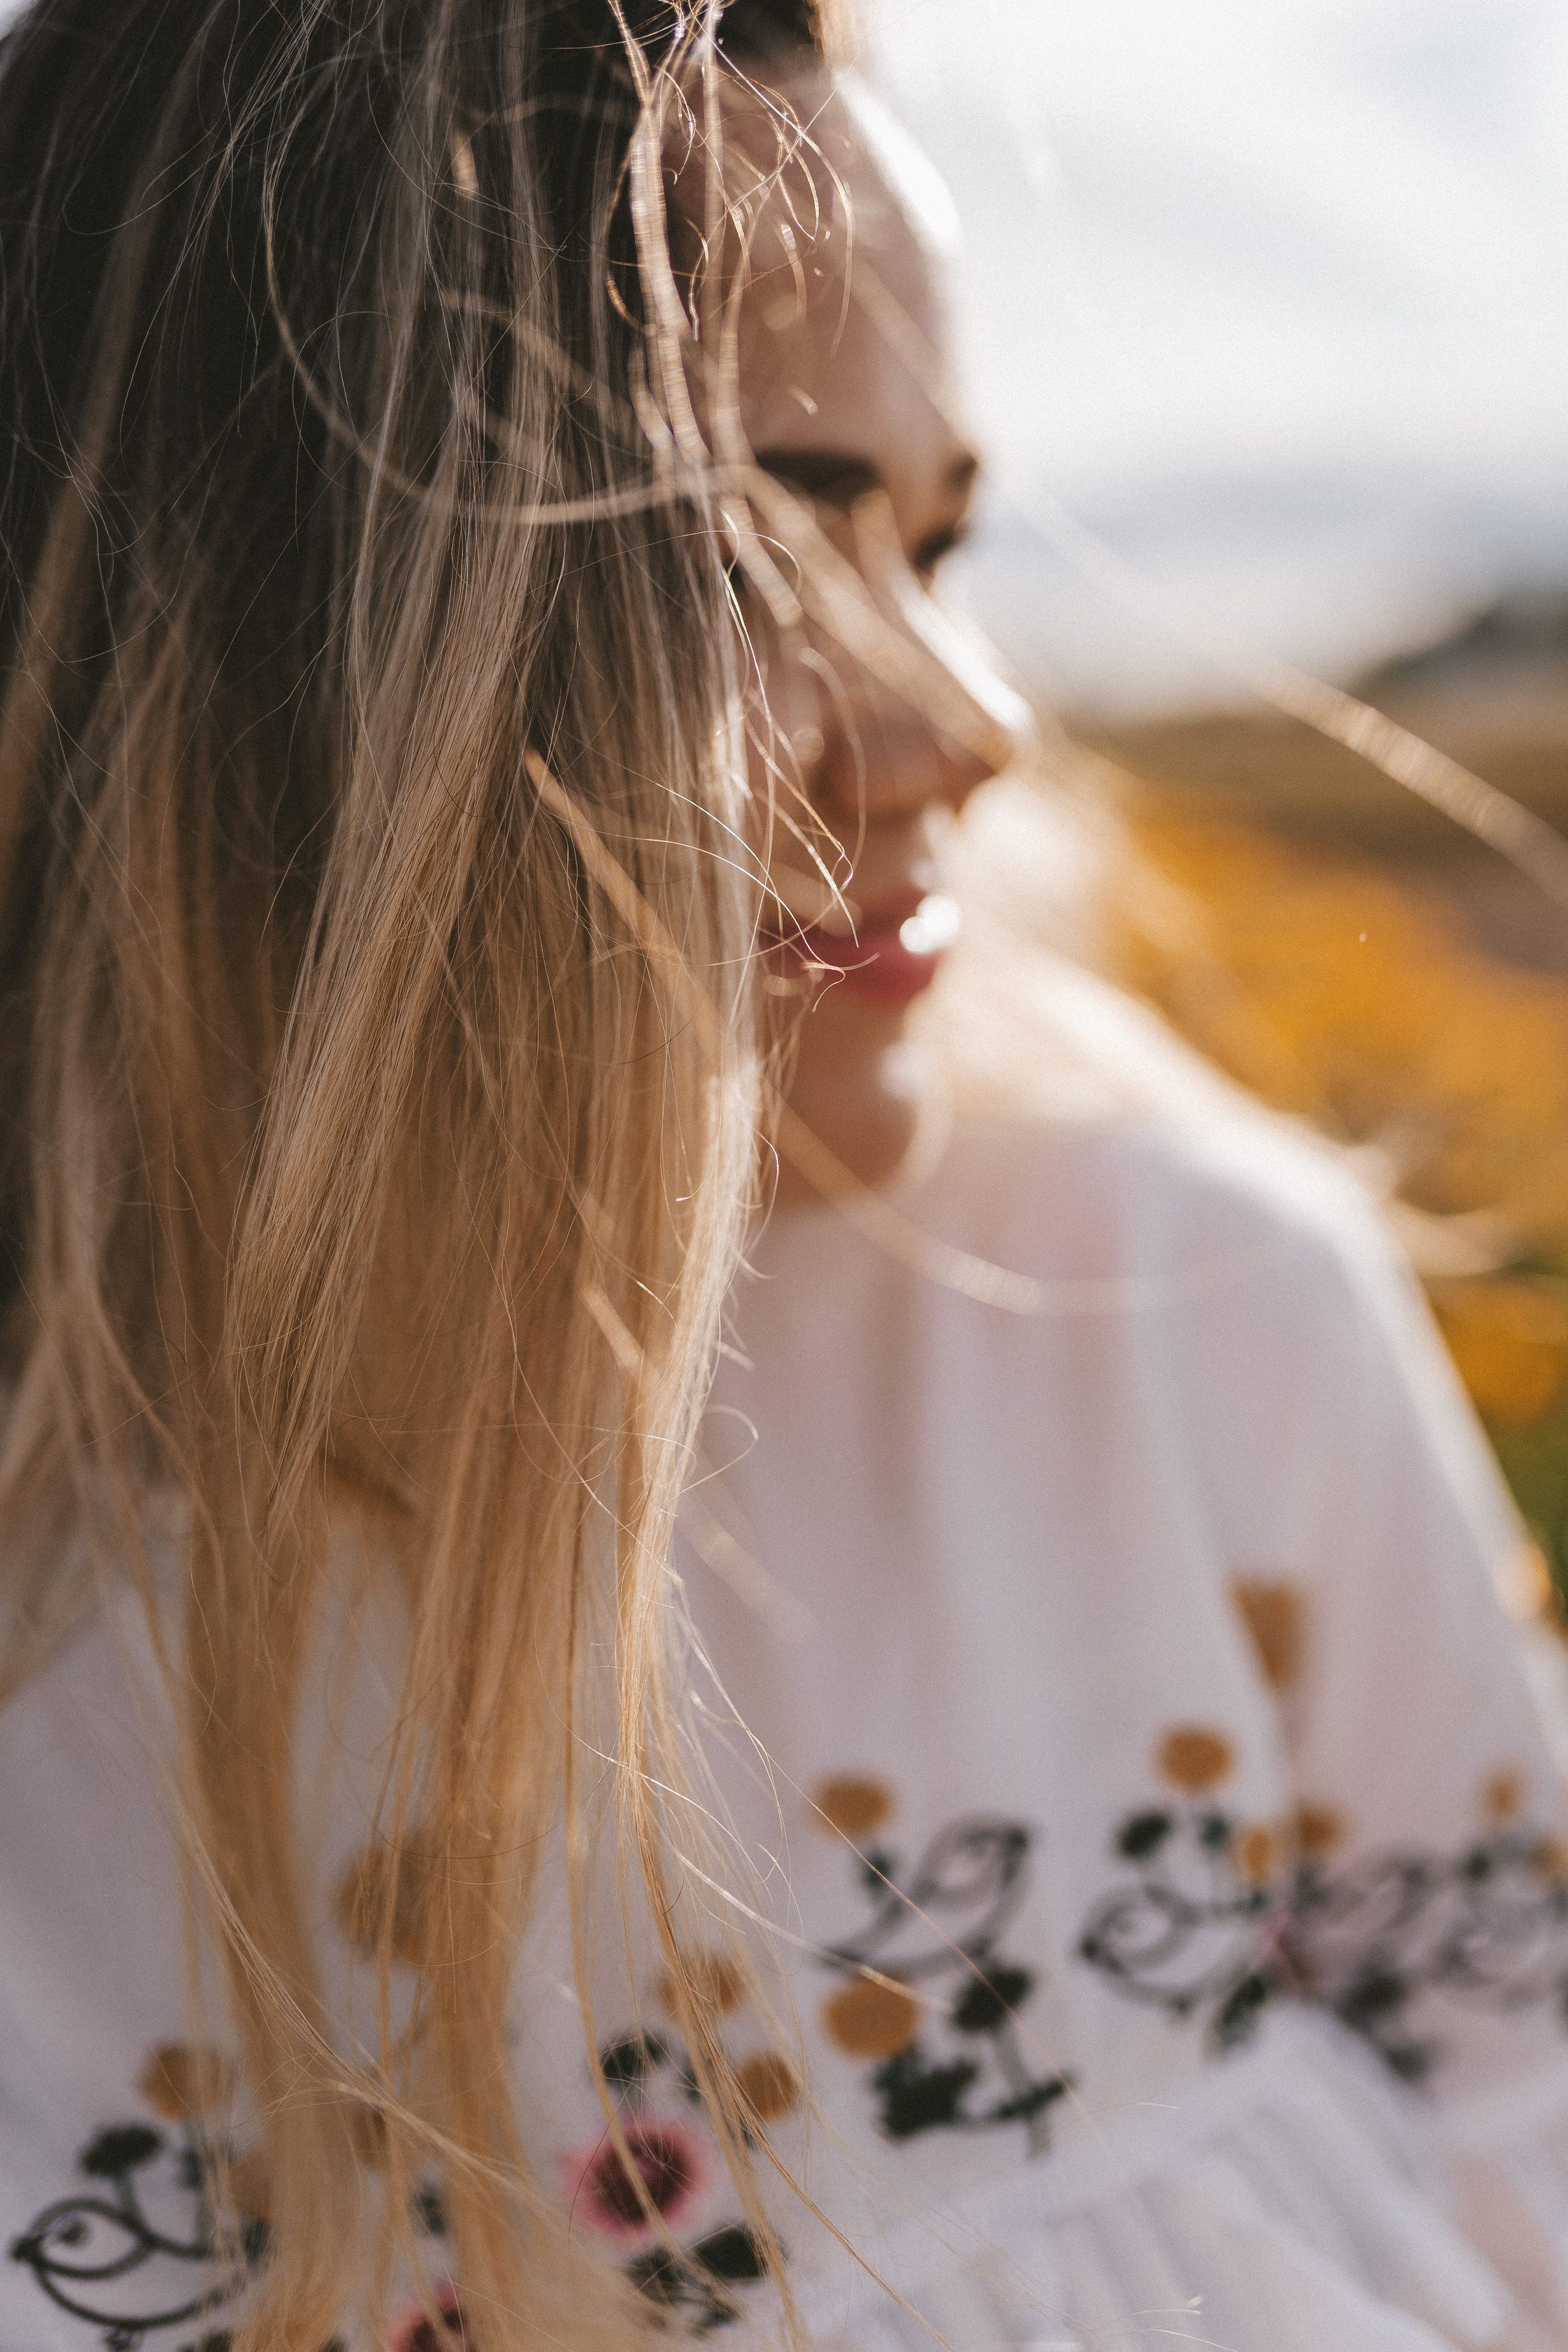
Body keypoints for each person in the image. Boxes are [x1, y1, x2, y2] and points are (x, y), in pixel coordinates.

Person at [3, 12, 1567, 2352]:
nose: (974, 724)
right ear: (247, 634)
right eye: (753, 551)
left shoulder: (1179, 1305)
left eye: (939, 543)